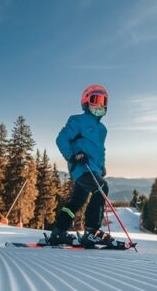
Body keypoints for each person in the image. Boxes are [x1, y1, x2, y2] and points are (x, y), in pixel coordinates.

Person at [49, 84, 125, 249]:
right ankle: (92, 232)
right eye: (95, 99)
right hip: (81, 167)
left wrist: (102, 166)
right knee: (101, 189)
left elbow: (101, 150)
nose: (99, 104)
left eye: (103, 101)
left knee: (77, 201)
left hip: (94, 169)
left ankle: (58, 232)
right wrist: (73, 156)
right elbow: (61, 139)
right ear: (86, 101)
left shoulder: (102, 129)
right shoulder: (77, 121)